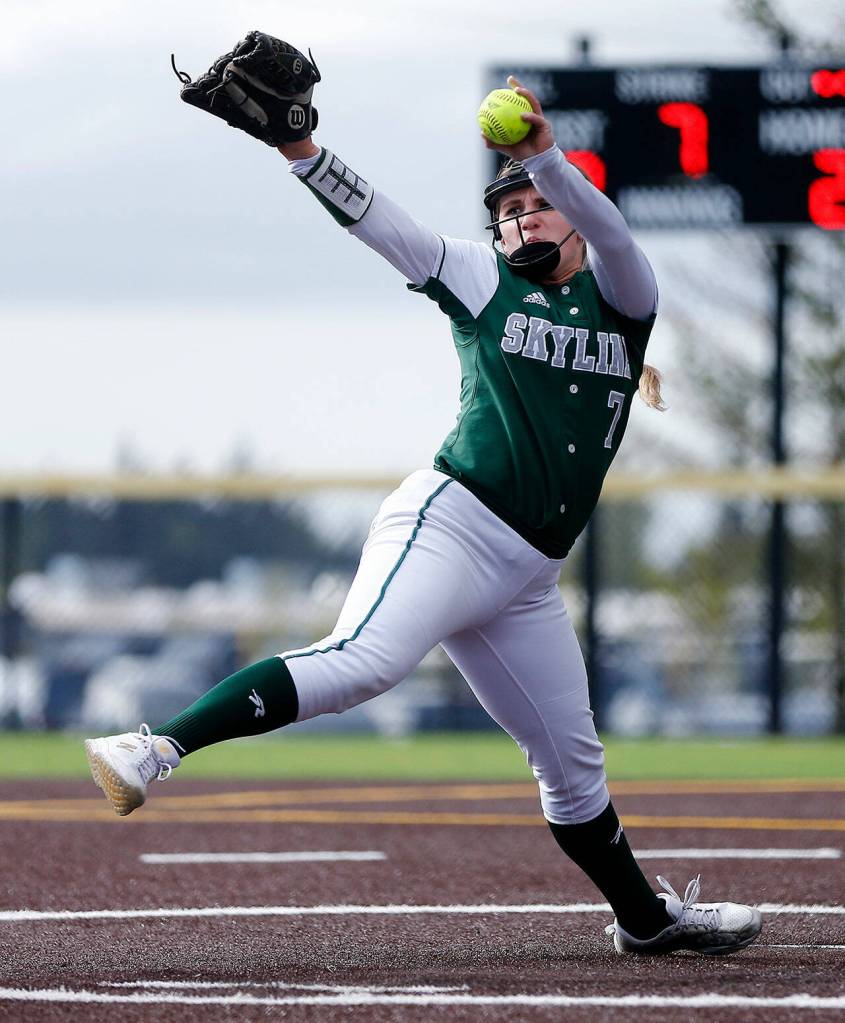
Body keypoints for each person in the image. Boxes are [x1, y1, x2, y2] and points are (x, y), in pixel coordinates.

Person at [85, 34, 762, 957]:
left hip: (526, 575)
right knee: (362, 662)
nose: (522, 222)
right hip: (453, 525)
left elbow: (612, 231)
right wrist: (300, 151)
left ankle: (642, 919)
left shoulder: (623, 298)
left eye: (535, 208)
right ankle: (152, 746)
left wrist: (543, 161)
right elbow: (381, 223)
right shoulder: (480, 279)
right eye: (508, 212)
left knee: (570, 764)